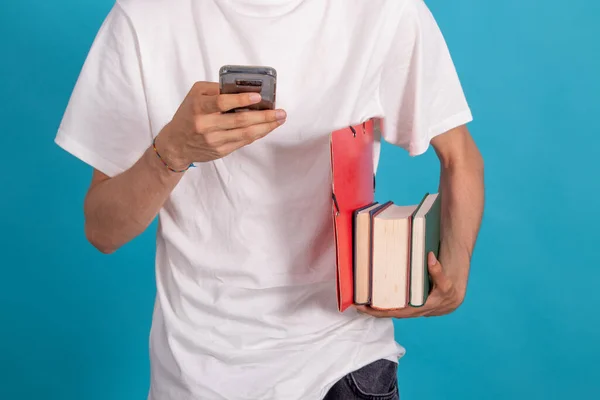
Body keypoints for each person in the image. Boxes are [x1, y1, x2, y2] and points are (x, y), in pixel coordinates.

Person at [55, 0, 485, 399]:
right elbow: (103, 230)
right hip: (193, 374)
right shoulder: (144, 18)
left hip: (342, 361)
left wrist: (457, 269)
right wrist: (173, 151)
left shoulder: (383, 11)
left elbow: (460, 155)